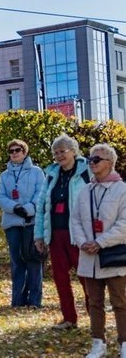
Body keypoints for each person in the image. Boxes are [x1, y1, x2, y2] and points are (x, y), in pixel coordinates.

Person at [71, 144, 126, 358]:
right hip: (89, 257)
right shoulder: (86, 190)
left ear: (110, 163)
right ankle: (97, 343)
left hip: (113, 254)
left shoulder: (122, 189)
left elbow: (124, 224)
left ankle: (124, 344)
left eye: (97, 159)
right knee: (94, 302)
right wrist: (84, 241)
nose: (92, 162)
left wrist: (100, 242)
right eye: (91, 159)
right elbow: (75, 219)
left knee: (120, 302)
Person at [35, 134, 92, 329]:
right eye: (56, 153)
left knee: (86, 278)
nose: (59, 156)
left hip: (79, 235)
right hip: (55, 233)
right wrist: (39, 235)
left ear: (73, 151)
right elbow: (42, 206)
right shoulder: (51, 175)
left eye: (63, 151)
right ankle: (69, 318)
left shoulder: (87, 173)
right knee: (60, 278)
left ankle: (95, 317)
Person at [0, 139, 45, 307]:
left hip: (31, 222)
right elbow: (1, 197)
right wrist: (15, 207)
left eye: (18, 150)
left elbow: (41, 193)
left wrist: (29, 208)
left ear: (25, 152)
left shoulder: (37, 172)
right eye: (11, 151)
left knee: (33, 260)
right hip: (13, 223)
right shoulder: (4, 175)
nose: (15, 153)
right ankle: (18, 300)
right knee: (17, 261)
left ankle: (35, 300)